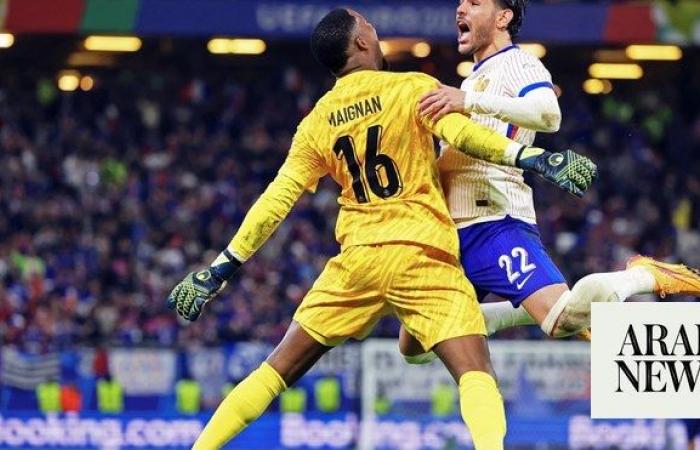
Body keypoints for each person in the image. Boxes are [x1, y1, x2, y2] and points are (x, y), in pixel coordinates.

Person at [166, 8, 595, 450]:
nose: (376, 31)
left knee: (275, 370)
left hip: (357, 261)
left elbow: (276, 200)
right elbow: (466, 136)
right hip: (422, 255)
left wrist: (219, 269)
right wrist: (532, 159)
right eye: (370, 27)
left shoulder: (315, 123)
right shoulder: (412, 88)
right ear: (362, 44)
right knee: (474, 374)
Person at [399, 0, 700, 361]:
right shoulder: (473, 77)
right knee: (415, 347)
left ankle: (642, 276)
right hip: (452, 231)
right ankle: (512, 313)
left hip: (493, 221)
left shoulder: (518, 63)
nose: (460, 9)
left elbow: (548, 113)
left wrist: (469, 100)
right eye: (461, 2)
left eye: (474, 2)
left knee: (563, 320)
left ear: (503, 17)